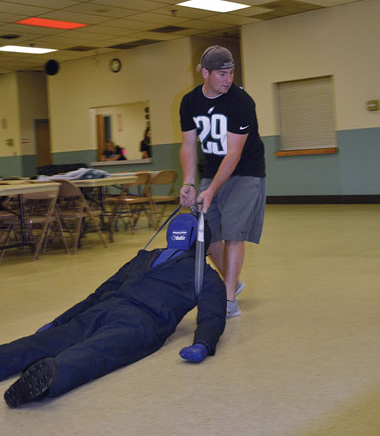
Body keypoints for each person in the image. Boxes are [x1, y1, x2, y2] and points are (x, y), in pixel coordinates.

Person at [1, 213, 226, 408]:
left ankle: (49, 378)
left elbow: (212, 315)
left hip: (142, 322)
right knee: (50, 340)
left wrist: (203, 344)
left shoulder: (203, 274)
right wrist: (60, 321)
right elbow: (101, 292)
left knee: (97, 350)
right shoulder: (145, 256)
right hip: (105, 307)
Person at [179, 45, 266, 319]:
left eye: (230, 73)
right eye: (221, 74)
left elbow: (234, 153)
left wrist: (211, 190)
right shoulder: (190, 102)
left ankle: (229, 298)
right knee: (209, 233)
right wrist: (190, 184)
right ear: (205, 73)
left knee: (233, 231)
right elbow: (188, 145)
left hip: (246, 170)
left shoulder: (241, 101)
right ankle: (232, 281)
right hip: (212, 169)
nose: (228, 79)